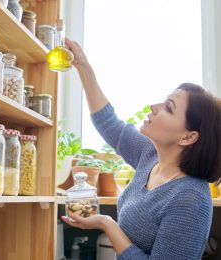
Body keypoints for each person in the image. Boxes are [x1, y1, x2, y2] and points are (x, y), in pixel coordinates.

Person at [61, 39, 221, 260]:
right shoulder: (151, 156)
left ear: (188, 137)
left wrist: (107, 224)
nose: (154, 107)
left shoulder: (191, 199)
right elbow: (108, 123)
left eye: (169, 108)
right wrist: (84, 67)